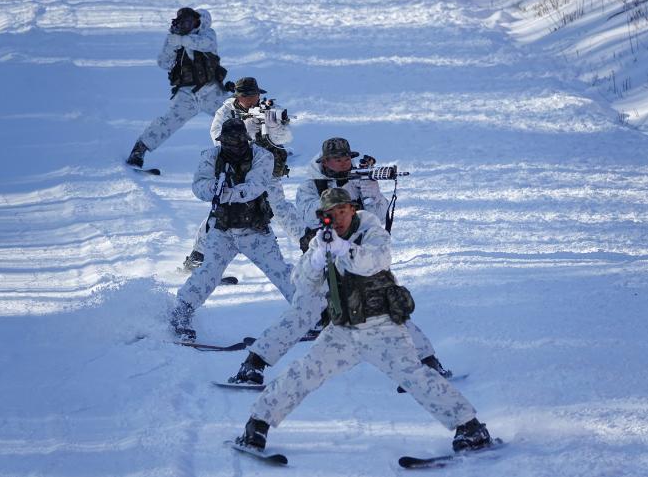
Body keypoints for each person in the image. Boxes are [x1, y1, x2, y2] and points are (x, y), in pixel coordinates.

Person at [235, 188, 493, 454]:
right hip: (342, 331)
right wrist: (314, 259)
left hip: (381, 328)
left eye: (342, 211)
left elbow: (374, 262)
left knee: (415, 377)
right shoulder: (321, 241)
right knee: (301, 374)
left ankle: (471, 428)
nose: (338, 218)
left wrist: (342, 248)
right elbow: (302, 286)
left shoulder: (372, 232)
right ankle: (257, 425)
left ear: (352, 209)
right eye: (331, 213)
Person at [227, 138, 452, 386]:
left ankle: (429, 365)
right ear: (325, 161)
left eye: (348, 158)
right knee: (299, 315)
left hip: (358, 261)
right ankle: (253, 365)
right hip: (323, 259)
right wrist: (339, 202)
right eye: (339, 158)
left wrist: (370, 192)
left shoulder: (361, 181)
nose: (345, 162)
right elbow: (312, 218)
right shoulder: (310, 186)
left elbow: (377, 220)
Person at [169, 118, 295, 341]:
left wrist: (227, 193)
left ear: (246, 140)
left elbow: (255, 186)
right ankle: (181, 312)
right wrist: (213, 188)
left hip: (254, 229)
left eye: (238, 143)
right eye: (228, 143)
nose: (234, 147)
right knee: (208, 273)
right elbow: (198, 186)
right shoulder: (210, 156)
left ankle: (311, 313)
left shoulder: (262, 156)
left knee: (280, 272)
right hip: (223, 229)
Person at [183, 76, 300, 271]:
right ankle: (198, 257)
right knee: (220, 212)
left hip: (265, 171)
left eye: (254, 95)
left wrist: (273, 127)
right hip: (236, 172)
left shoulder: (270, 108)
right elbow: (217, 140)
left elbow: (285, 139)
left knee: (280, 209)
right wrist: (244, 133)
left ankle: (310, 245)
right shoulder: (226, 112)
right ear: (238, 96)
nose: (252, 99)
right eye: (247, 96)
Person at [126, 7, 232, 168]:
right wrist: (172, 45)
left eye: (191, 22)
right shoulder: (174, 38)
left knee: (236, 116)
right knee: (167, 123)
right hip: (186, 94)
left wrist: (183, 40)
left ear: (200, 22)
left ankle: (267, 146)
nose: (187, 25)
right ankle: (139, 150)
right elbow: (163, 63)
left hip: (211, 91)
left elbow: (206, 44)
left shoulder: (208, 34)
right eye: (185, 22)